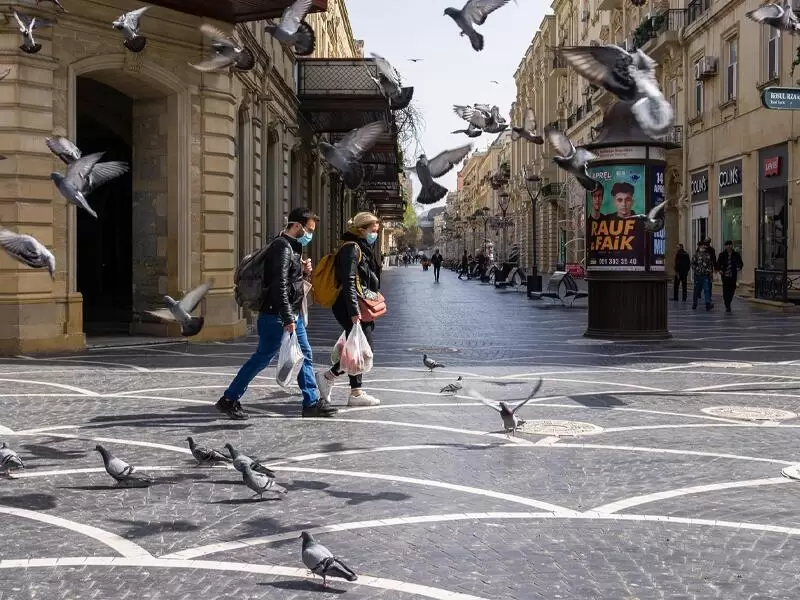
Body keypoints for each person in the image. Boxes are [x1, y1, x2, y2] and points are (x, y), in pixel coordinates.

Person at [216, 208, 336, 420]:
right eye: (309, 230)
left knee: (303, 355)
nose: (310, 235)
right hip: (278, 316)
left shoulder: (289, 246)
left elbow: (288, 280)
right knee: (262, 358)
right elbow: (278, 284)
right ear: (297, 226)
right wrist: (288, 317)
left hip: (288, 314)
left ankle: (311, 402)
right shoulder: (282, 247)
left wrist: (303, 272)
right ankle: (229, 399)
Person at [317, 212, 383, 408]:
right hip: (350, 305)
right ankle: (329, 376)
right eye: (373, 231)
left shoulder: (359, 247)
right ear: (361, 230)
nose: (375, 234)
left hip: (354, 304)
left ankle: (355, 392)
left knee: (357, 348)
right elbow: (349, 281)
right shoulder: (352, 249)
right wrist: (354, 312)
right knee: (365, 349)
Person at [716, 240, 743, 313]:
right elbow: (718, 263)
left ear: (732, 245)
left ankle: (729, 301)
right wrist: (720, 270)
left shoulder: (736, 254)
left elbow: (740, 263)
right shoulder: (722, 254)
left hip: (733, 275)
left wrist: (739, 267)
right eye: (727, 245)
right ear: (725, 246)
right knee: (725, 290)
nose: (728, 246)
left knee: (732, 288)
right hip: (725, 275)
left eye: (730, 244)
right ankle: (727, 304)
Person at [691, 240, 714, 311]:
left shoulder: (707, 255)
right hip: (697, 275)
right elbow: (692, 264)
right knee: (696, 290)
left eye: (704, 246)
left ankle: (707, 304)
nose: (703, 248)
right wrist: (697, 269)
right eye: (702, 246)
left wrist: (710, 274)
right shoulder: (696, 255)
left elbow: (710, 265)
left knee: (706, 289)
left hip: (705, 275)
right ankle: (695, 303)